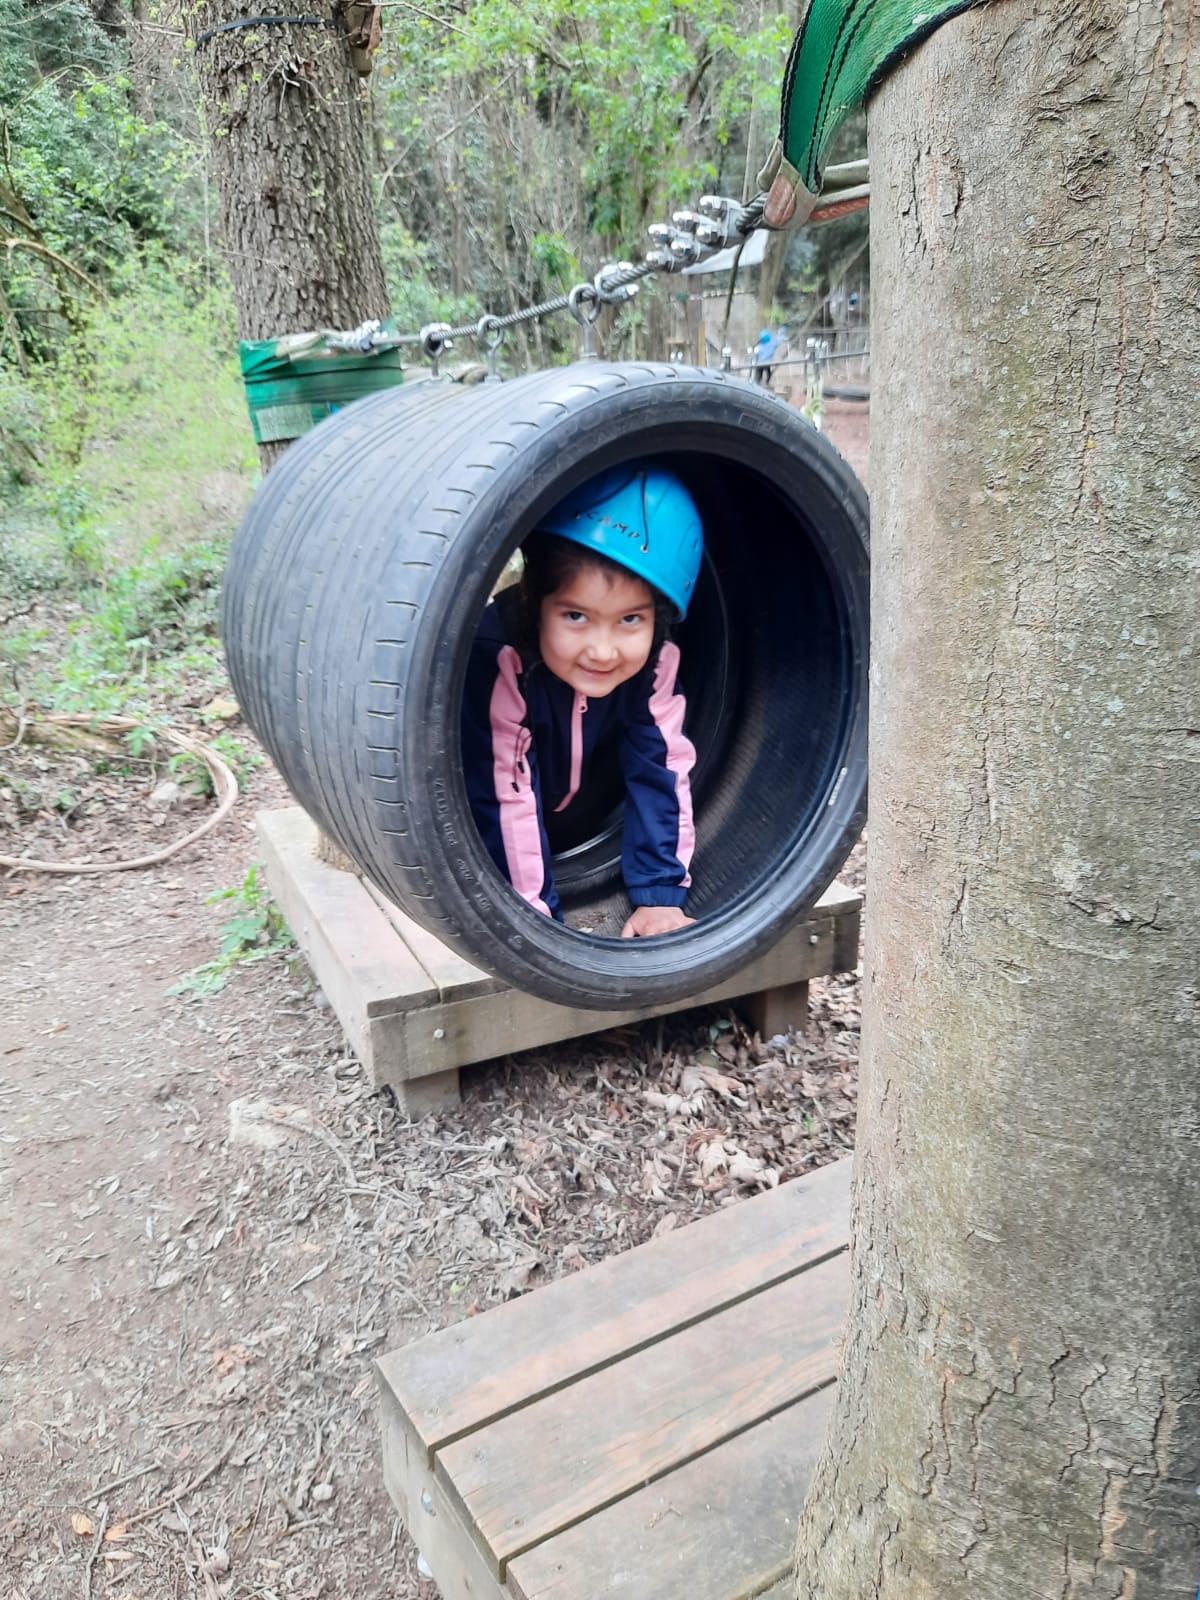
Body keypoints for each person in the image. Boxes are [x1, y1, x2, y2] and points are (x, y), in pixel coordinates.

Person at [461, 465, 702, 938]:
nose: (603, 651)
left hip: (588, 821)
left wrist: (660, 895)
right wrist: (533, 920)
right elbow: (503, 794)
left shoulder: (654, 661)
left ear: (659, 615)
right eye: (576, 616)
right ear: (533, 599)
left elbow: (662, 768)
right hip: (486, 828)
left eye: (630, 619)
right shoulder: (503, 655)